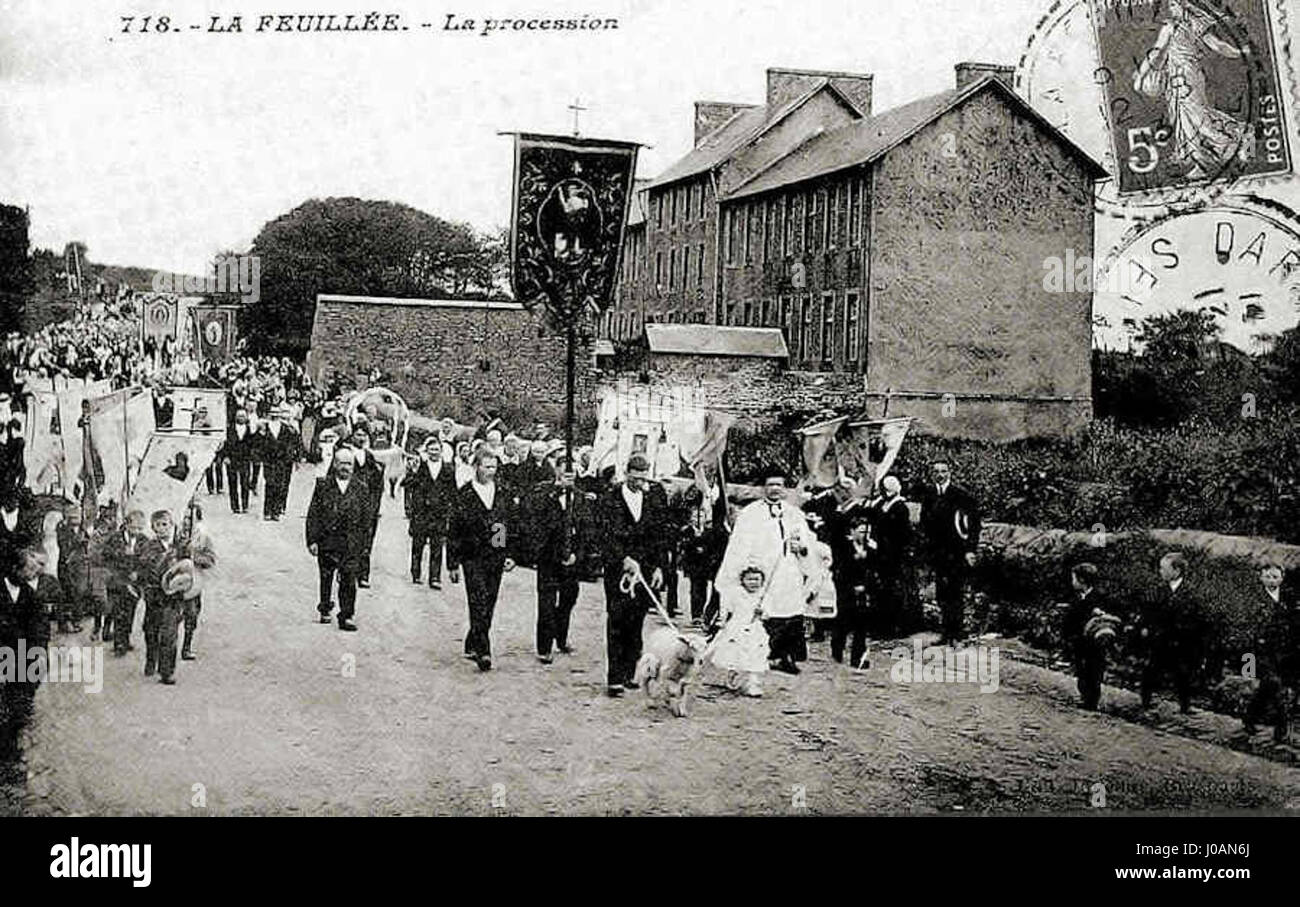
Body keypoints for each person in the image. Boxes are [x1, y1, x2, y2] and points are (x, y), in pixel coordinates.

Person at [715, 465, 822, 676]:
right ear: (763, 488)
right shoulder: (750, 514)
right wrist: (744, 572)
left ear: (785, 489)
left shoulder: (794, 514)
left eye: (779, 485)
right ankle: (762, 654)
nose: (775, 489)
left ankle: (786, 656)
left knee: (790, 612)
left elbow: (808, 542)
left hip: (789, 571)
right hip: (762, 573)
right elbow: (739, 546)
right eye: (770, 485)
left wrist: (801, 549)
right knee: (764, 612)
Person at [597, 454, 670, 696]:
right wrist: (622, 558)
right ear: (626, 473)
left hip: (645, 572)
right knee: (617, 621)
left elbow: (660, 537)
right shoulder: (610, 499)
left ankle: (630, 672)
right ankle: (614, 678)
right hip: (619, 572)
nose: (639, 482)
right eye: (635, 477)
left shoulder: (652, 500)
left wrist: (660, 567)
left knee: (636, 622)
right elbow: (605, 535)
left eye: (643, 478)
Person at [447, 449, 517, 671]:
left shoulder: (502, 493)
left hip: (495, 556)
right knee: (478, 599)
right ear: (475, 467)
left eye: (494, 467)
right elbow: (454, 530)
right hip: (472, 556)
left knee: (490, 600)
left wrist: (509, 554)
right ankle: (484, 650)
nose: (490, 471)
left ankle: (473, 639)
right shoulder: (465, 495)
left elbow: (508, 525)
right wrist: (453, 563)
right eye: (486, 466)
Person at [526, 455, 590, 663]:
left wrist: (577, 555)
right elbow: (535, 518)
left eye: (572, 473)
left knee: (568, 599)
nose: (568, 476)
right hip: (548, 557)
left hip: (571, 560)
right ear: (557, 471)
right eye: (564, 472)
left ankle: (560, 637)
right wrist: (557, 491)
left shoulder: (580, 497)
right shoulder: (543, 492)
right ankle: (544, 647)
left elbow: (586, 530)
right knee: (546, 602)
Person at [1131, 552, 1207, 714]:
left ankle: (1185, 706)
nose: (1160, 572)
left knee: (1183, 674)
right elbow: (1148, 612)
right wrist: (1146, 628)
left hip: (1181, 641)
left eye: (1164, 568)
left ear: (1177, 571)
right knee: (1151, 670)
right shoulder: (1157, 591)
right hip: (1160, 639)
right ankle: (1145, 701)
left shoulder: (1191, 593)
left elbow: (1198, 619)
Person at [917, 462, 981, 644]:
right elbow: (924, 523)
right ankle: (946, 633)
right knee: (942, 593)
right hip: (938, 552)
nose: (940, 475)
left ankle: (957, 633)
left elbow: (973, 524)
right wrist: (926, 548)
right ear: (932, 474)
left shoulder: (961, 495)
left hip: (956, 552)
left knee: (955, 592)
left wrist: (970, 549)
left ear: (950, 473)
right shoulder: (929, 495)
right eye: (936, 472)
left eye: (943, 471)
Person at [0, 547, 50, 779]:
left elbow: (40, 626)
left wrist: (39, 652)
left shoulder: (30, 595)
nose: (32, 574)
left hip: (21, 657)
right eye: (28, 569)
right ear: (14, 568)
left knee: (19, 705)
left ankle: (12, 749)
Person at [306, 447, 369, 631]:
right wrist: (312, 540)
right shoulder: (323, 485)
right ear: (334, 464)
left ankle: (347, 615)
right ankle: (325, 607)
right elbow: (313, 515)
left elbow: (367, 520)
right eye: (342, 463)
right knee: (326, 577)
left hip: (350, 543)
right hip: (327, 541)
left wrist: (364, 545)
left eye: (349, 464)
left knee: (349, 579)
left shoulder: (361, 488)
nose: (346, 467)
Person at [1243, 563, 1297, 741]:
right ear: (1261, 577)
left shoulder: (1289, 599)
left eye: (1275, 577)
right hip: (1262, 654)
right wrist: (1247, 670)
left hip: (1284, 654)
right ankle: (1281, 728)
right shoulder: (1252, 600)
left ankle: (1250, 717)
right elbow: (1246, 637)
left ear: (1282, 578)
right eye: (1267, 576)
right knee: (1275, 687)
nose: (1271, 580)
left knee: (1266, 689)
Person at [1060, 563, 1119, 711]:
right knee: (1081, 669)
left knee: (1094, 669)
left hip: (1095, 640)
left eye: (1074, 579)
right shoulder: (1077, 597)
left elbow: (1110, 615)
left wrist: (1101, 614)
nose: (1072, 582)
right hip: (1079, 640)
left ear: (1082, 580)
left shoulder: (1098, 597)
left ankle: (1092, 700)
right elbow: (1071, 619)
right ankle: (1085, 696)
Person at [137, 510, 186, 685]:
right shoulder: (148, 548)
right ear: (152, 527)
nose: (161, 528)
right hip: (154, 596)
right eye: (157, 525)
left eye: (165, 524)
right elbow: (143, 569)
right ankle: (151, 658)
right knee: (151, 631)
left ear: (172, 525)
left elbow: (190, 568)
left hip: (173, 598)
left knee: (169, 635)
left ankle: (167, 671)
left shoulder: (181, 546)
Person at [402, 437, 456, 589]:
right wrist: (412, 472)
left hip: (439, 514)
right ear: (426, 451)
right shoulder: (420, 467)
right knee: (418, 545)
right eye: (431, 449)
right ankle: (416, 573)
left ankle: (435, 577)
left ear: (441, 451)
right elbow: (406, 484)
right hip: (422, 513)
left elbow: (452, 491)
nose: (434, 452)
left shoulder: (448, 469)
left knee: (437, 547)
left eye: (437, 449)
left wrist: (450, 510)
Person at [711, 563, 770, 697]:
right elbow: (727, 609)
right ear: (742, 581)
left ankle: (753, 683)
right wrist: (722, 621)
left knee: (755, 655)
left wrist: (761, 613)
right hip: (737, 627)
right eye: (750, 579)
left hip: (755, 629)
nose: (753, 583)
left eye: (757, 580)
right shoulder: (736, 594)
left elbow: (768, 614)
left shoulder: (763, 596)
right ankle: (733, 674)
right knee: (735, 654)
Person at [869, 475, 912, 637]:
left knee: (894, 591)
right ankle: (881, 626)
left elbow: (903, 534)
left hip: (894, 555)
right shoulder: (880, 504)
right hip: (879, 553)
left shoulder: (900, 507)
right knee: (879, 590)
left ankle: (896, 627)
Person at [102, 509, 146, 656]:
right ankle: (119, 643)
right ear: (126, 525)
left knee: (130, 612)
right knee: (119, 612)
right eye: (134, 528)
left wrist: (138, 573)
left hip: (134, 584)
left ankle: (125, 639)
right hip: (117, 582)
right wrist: (121, 553)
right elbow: (105, 556)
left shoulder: (144, 540)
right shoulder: (114, 538)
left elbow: (146, 561)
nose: (137, 531)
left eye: (140, 528)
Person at [348, 427, 384, 588]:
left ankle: (363, 575)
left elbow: (377, 484)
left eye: (364, 435)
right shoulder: (345, 454)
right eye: (358, 435)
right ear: (353, 436)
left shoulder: (369, 456)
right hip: (349, 503)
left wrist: (375, 505)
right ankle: (348, 573)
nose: (361, 438)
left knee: (366, 539)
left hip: (366, 506)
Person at [258, 406, 296, 521]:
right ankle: (267, 511)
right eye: (272, 413)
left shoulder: (285, 428)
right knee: (269, 484)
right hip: (269, 461)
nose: (274, 415)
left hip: (281, 461)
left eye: (277, 413)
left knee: (279, 485)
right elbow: (260, 443)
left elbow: (290, 444)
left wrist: (288, 458)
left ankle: (276, 511)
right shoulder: (265, 427)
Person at [225, 408, 254, 514]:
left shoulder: (250, 430)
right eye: (239, 416)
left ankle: (245, 505)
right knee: (232, 483)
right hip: (232, 459)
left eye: (243, 416)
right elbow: (225, 444)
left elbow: (253, 445)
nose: (241, 418)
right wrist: (226, 456)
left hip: (245, 459)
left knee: (245, 483)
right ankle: (235, 506)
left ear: (246, 418)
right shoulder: (229, 429)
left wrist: (252, 457)